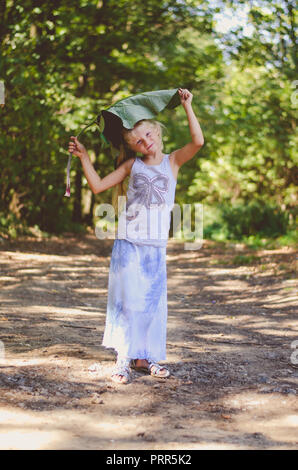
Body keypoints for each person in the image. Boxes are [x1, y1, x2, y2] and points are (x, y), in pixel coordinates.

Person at [68, 88, 204, 384]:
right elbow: (98, 186)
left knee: (151, 302)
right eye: (138, 142)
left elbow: (198, 141)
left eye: (147, 135)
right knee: (128, 299)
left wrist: (187, 106)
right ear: (134, 147)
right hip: (128, 242)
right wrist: (84, 157)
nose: (146, 143)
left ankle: (146, 357)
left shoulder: (173, 161)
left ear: (156, 130)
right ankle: (124, 358)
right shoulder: (132, 165)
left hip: (155, 246)